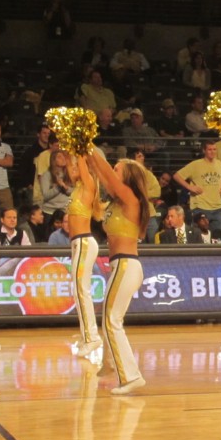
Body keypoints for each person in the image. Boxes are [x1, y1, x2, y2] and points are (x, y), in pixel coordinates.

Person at [87, 149, 151, 395]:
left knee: (111, 320)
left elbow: (107, 176)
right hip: (120, 266)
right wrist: (87, 154)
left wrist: (89, 144)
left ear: (128, 177)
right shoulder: (116, 200)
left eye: (117, 169)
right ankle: (110, 364)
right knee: (111, 318)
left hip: (126, 265)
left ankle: (131, 376)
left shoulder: (131, 198)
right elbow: (103, 176)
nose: (112, 171)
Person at [67, 154, 103, 358]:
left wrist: (78, 147)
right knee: (78, 291)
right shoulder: (77, 188)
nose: (72, 168)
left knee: (82, 291)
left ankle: (92, 338)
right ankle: (86, 335)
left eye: (75, 166)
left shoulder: (89, 185)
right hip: (78, 244)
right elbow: (70, 166)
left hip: (84, 243)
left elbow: (80, 160)